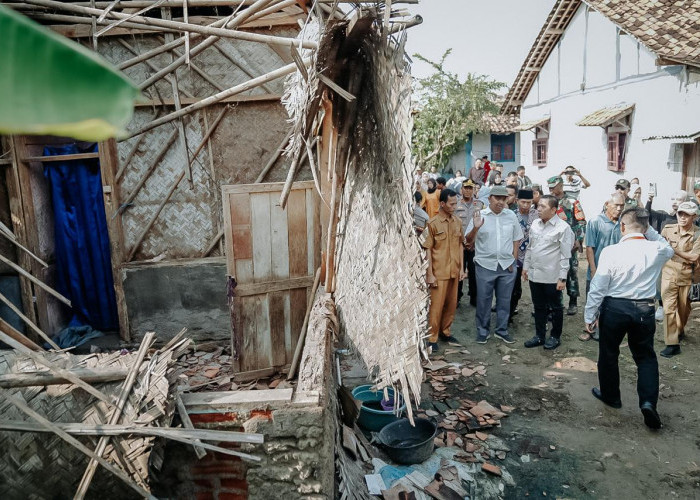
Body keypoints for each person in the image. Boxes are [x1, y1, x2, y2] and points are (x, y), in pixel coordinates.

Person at [584, 207, 674, 430]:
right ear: (645, 227)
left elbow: (599, 286)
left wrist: (590, 313)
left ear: (622, 227)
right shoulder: (657, 248)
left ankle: (611, 396)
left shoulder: (611, 251)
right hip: (645, 309)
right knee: (645, 357)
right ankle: (647, 402)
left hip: (615, 308)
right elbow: (668, 247)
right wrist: (648, 229)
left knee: (608, 353)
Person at [466, 185, 524, 344]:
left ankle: (501, 330)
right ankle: (483, 331)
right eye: (497, 198)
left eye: (503, 198)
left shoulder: (510, 215)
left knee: (504, 300)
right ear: (490, 198)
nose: (500, 201)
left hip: (507, 266)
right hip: (485, 265)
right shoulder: (480, 215)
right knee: (483, 300)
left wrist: (514, 260)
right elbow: (468, 241)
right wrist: (475, 228)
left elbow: (516, 238)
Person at [523, 195, 574, 350]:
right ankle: (539, 336)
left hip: (552, 276)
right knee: (538, 307)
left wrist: (562, 278)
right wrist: (526, 267)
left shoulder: (563, 228)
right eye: (538, 206)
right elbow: (530, 248)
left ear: (553, 210)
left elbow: (566, 255)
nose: (538, 209)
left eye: (542, 207)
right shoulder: (535, 225)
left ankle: (555, 336)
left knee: (556, 308)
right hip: (535, 274)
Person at [422, 189, 466, 354]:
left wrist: (462, 268)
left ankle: (445, 332)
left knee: (451, 304)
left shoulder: (457, 222)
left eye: (456, 203)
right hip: (439, 272)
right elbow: (428, 249)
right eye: (452, 203)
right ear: (442, 204)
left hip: (454, 270)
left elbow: (461, 244)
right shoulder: (432, 223)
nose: (455, 206)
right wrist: (430, 273)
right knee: (436, 307)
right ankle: (432, 337)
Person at [581, 193, 626, 341]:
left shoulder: (623, 224)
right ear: (607, 204)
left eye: (622, 206)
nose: (619, 209)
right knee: (593, 298)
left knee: (610, 301)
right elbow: (589, 247)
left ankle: (603, 329)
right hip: (598, 269)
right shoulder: (595, 222)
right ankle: (589, 329)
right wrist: (593, 270)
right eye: (616, 205)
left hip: (616, 272)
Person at [659, 202, 700, 358]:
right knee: (668, 308)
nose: (682, 217)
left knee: (683, 310)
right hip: (668, 274)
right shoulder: (668, 230)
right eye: (680, 214)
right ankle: (672, 343)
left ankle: (679, 330)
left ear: (694, 216)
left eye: (687, 215)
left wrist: (672, 249)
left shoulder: (698, 234)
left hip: (688, 277)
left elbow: (694, 257)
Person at [548, 175, 586, 315]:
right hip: (552, 243)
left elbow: (581, 221)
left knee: (571, 272)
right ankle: (556, 302)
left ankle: (573, 301)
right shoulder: (549, 201)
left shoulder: (572, 201)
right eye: (550, 188)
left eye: (554, 188)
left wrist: (579, 239)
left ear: (561, 185)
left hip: (570, 243)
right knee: (554, 272)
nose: (552, 190)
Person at [509, 188, 538, 323]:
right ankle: (509, 313)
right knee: (514, 289)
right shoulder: (511, 215)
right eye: (523, 202)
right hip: (515, 257)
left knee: (537, 287)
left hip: (534, 258)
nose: (526, 205)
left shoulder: (538, 215)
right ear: (517, 201)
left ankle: (540, 313)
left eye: (529, 202)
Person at [455, 180, 484, 307]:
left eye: (470, 188)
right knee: (457, 271)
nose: (468, 190)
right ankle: (456, 296)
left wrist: (473, 241)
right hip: (459, 243)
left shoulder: (480, 205)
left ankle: (474, 296)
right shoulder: (455, 204)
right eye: (465, 188)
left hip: (474, 245)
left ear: (474, 190)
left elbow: (482, 224)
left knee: (474, 272)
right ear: (461, 189)